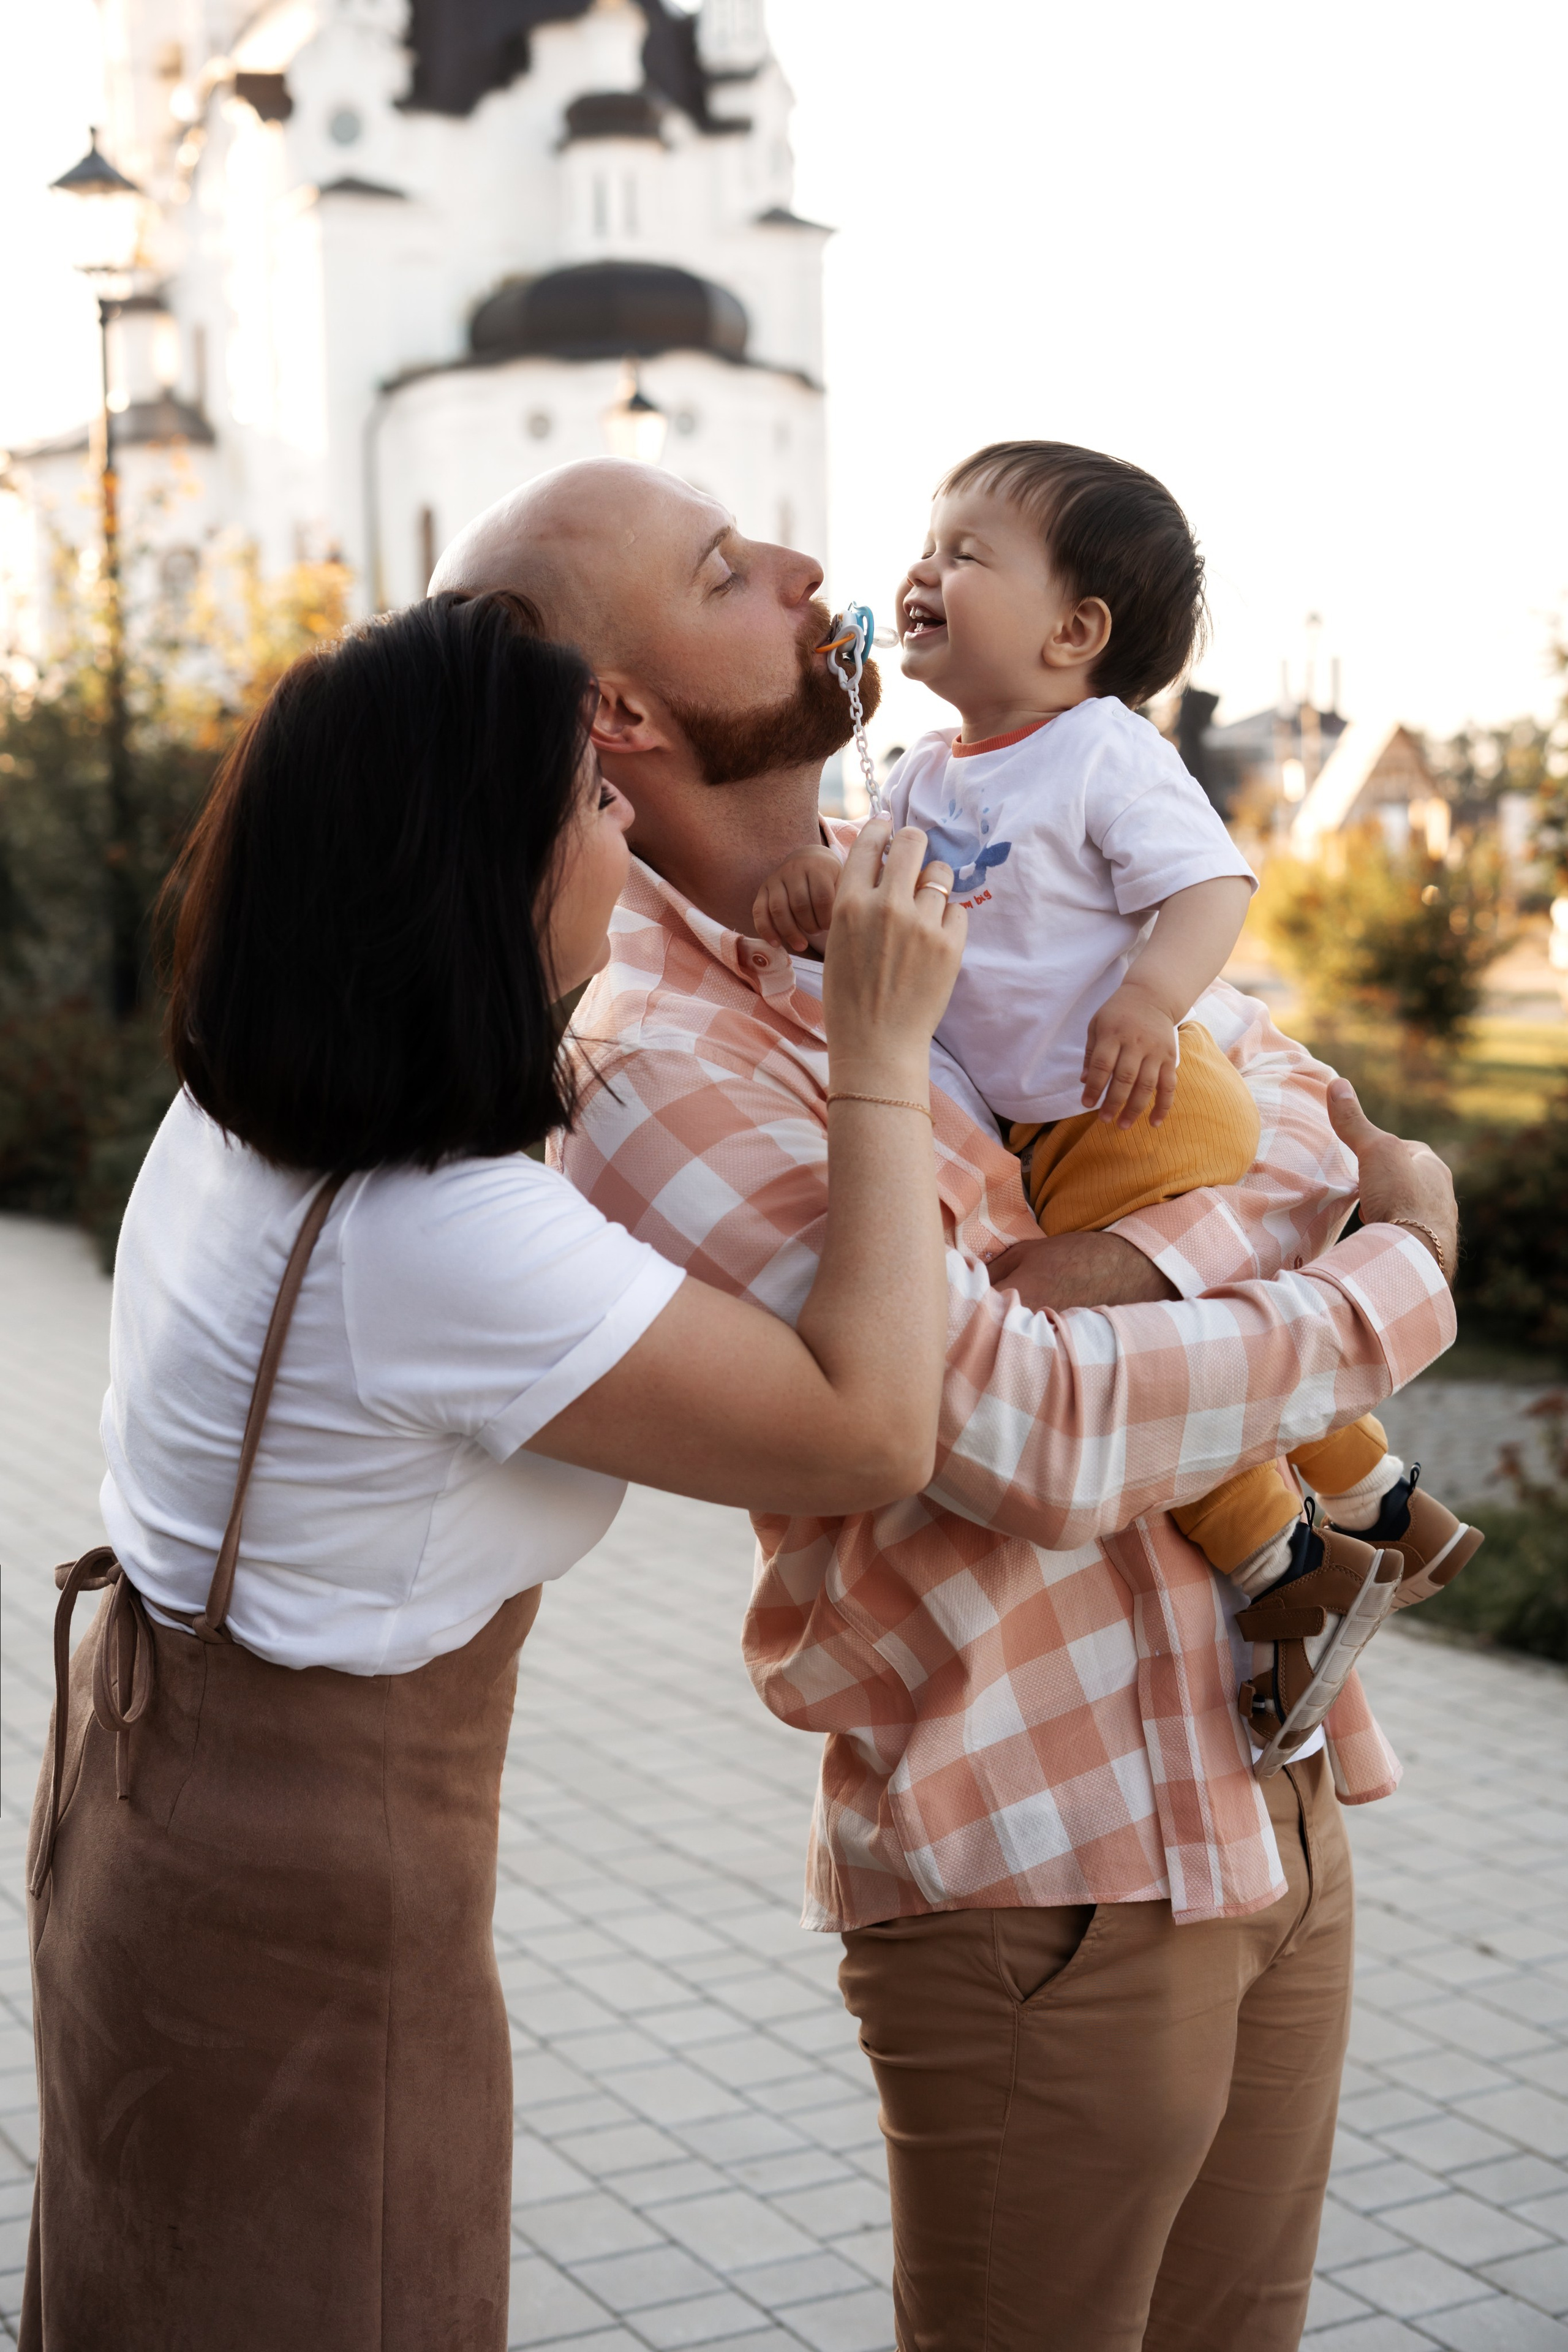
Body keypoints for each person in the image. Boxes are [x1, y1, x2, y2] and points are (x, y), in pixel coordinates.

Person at [432, 461, 1461, 2352]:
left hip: (1268, 1789)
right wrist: (1393, 1279)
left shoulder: (938, 846)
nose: (822, 565)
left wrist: (1126, 1263)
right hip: (1048, 1878)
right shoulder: (659, 1059)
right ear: (625, 716)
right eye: (733, 569)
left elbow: (1276, 1087)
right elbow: (1018, 1429)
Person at [21, 590, 967, 2350]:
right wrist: (881, 1054)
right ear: (488, 868)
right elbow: (872, 1430)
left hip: (152, 1783)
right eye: (595, 808)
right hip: (304, 1881)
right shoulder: (444, 1235)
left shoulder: (254, 1102)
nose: (629, 834)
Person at [756, 439, 1481, 1778]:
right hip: (1055, 1129)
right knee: (1217, 1333)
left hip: (1141, 1104)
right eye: (928, 539)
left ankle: (1286, 1563)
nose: (922, 567)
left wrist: (1147, 1001)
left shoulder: (1097, 751)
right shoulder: (920, 775)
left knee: (1163, 1352)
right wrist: (820, 890)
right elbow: (891, 896)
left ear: (1073, 632)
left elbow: (1208, 886)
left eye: (967, 552)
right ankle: (1384, 1504)